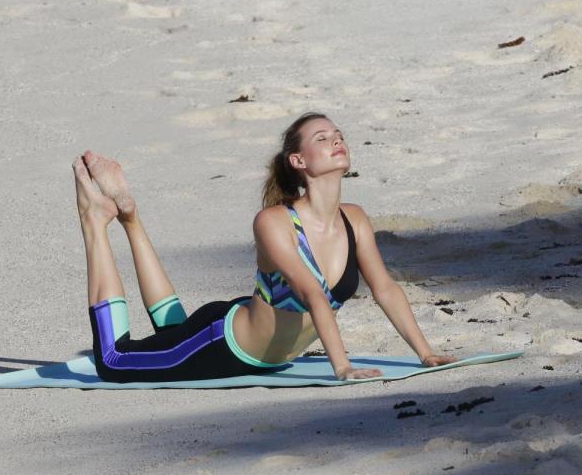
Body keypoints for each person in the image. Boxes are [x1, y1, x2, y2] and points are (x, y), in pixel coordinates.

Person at [73, 112, 457, 383]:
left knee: (173, 331)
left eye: (338, 135)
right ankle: (94, 220)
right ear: (298, 160)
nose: (336, 141)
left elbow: (385, 288)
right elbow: (311, 294)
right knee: (114, 360)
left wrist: (425, 353)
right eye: (321, 139)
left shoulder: (354, 218)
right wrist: (342, 367)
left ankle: (130, 218)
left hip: (251, 330)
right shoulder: (274, 221)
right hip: (224, 344)